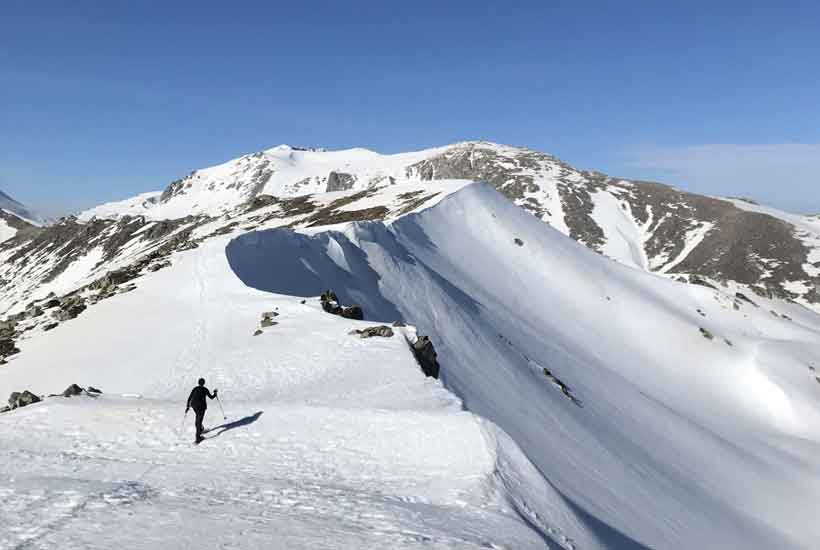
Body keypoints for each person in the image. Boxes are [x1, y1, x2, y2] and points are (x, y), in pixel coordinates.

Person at [186, 378, 218, 444]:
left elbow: (190, 397)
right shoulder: (205, 389)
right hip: (201, 407)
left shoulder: (195, 388)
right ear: (204, 383)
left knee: (198, 419)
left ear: (198, 383)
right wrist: (215, 393)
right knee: (199, 421)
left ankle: (200, 429)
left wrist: (187, 407)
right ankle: (198, 438)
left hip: (194, 406)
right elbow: (211, 397)